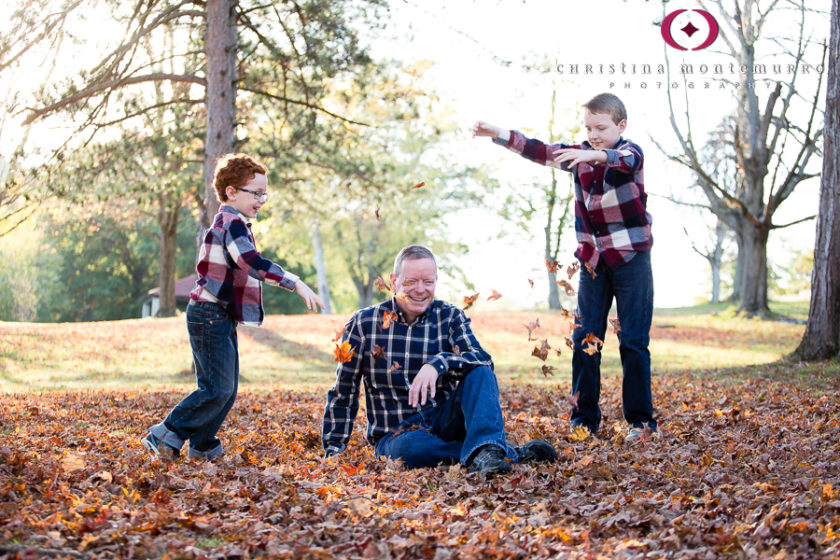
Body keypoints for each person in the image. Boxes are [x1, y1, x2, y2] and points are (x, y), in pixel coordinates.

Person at [473, 92, 656, 442]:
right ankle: (583, 419)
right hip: (593, 262)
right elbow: (539, 150)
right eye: (588, 128)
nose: (593, 134)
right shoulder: (578, 155)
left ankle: (641, 423)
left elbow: (623, 159)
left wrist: (593, 153)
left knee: (633, 341)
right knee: (585, 338)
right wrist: (497, 132)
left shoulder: (630, 153)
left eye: (601, 127)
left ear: (621, 125)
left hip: (631, 257)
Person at [142, 153, 324, 460]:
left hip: (220, 317)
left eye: (264, 193)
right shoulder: (232, 224)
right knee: (217, 389)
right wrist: (293, 281)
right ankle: (164, 435)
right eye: (256, 193)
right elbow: (249, 262)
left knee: (225, 390)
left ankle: (202, 446)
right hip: (207, 315)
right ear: (231, 192)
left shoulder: (235, 222)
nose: (262, 200)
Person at [322, 245, 557, 476]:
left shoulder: (450, 316)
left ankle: (486, 450)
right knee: (410, 451)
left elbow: (482, 361)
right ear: (394, 281)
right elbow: (344, 392)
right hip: (396, 435)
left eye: (428, 282)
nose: (420, 290)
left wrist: (439, 363)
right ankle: (496, 452)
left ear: (436, 281)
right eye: (410, 282)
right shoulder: (363, 324)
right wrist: (334, 450)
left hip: (445, 421)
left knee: (480, 372)